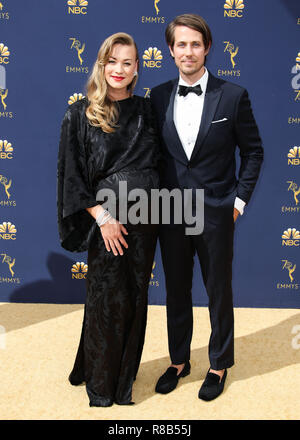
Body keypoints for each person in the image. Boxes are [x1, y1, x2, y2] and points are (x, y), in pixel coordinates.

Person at [150, 14, 263, 401]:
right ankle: (178, 360)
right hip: (170, 212)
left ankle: (218, 365)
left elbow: (253, 152)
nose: (188, 51)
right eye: (181, 44)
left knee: (218, 290)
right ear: (170, 50)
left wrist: (238, 202)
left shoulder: (233, 95)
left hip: (216, 211)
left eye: (195, 44)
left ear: (207, 48)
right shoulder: (158, 96)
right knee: (176, 290)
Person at [57, 32, 160, 407]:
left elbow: (160, 163)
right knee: (105, 300)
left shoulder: (148, 110)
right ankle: (101, 387)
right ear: (101, 64)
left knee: (134, 298)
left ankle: (123, 381)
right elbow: (73, 178)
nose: (119, 69)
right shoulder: (79, 114)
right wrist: (104, 218)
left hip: (147, 220)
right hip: (108, 222)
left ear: (136, 69)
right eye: (112, 61)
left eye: (127, 62)